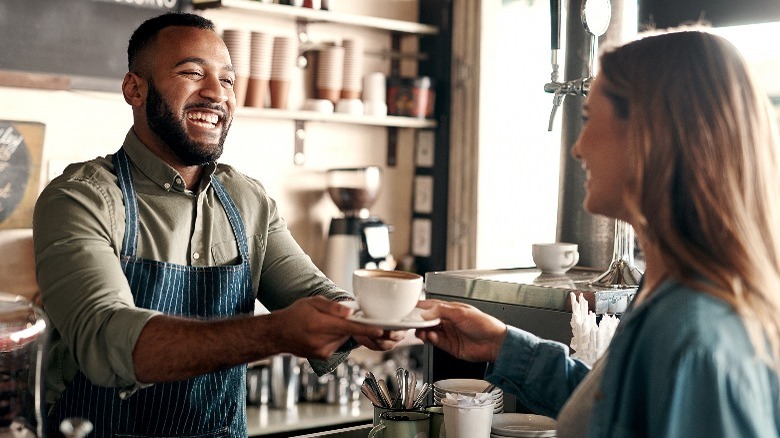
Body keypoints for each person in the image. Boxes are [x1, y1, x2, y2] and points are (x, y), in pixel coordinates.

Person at [32, 12, 403, 437]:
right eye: (192, 73)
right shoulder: (82, 198)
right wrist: (274, 333)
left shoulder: (248, 201)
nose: (215, 94)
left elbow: (314, 295)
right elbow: (105, 339)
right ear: (134, 88)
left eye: (227, 81)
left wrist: (388, 315)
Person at [417, 29, 780, 437]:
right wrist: (503, 346)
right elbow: (616, 417)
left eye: (589, 118)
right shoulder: (664, 293)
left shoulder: (695, 340)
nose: (578, 147)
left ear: (651, 135)